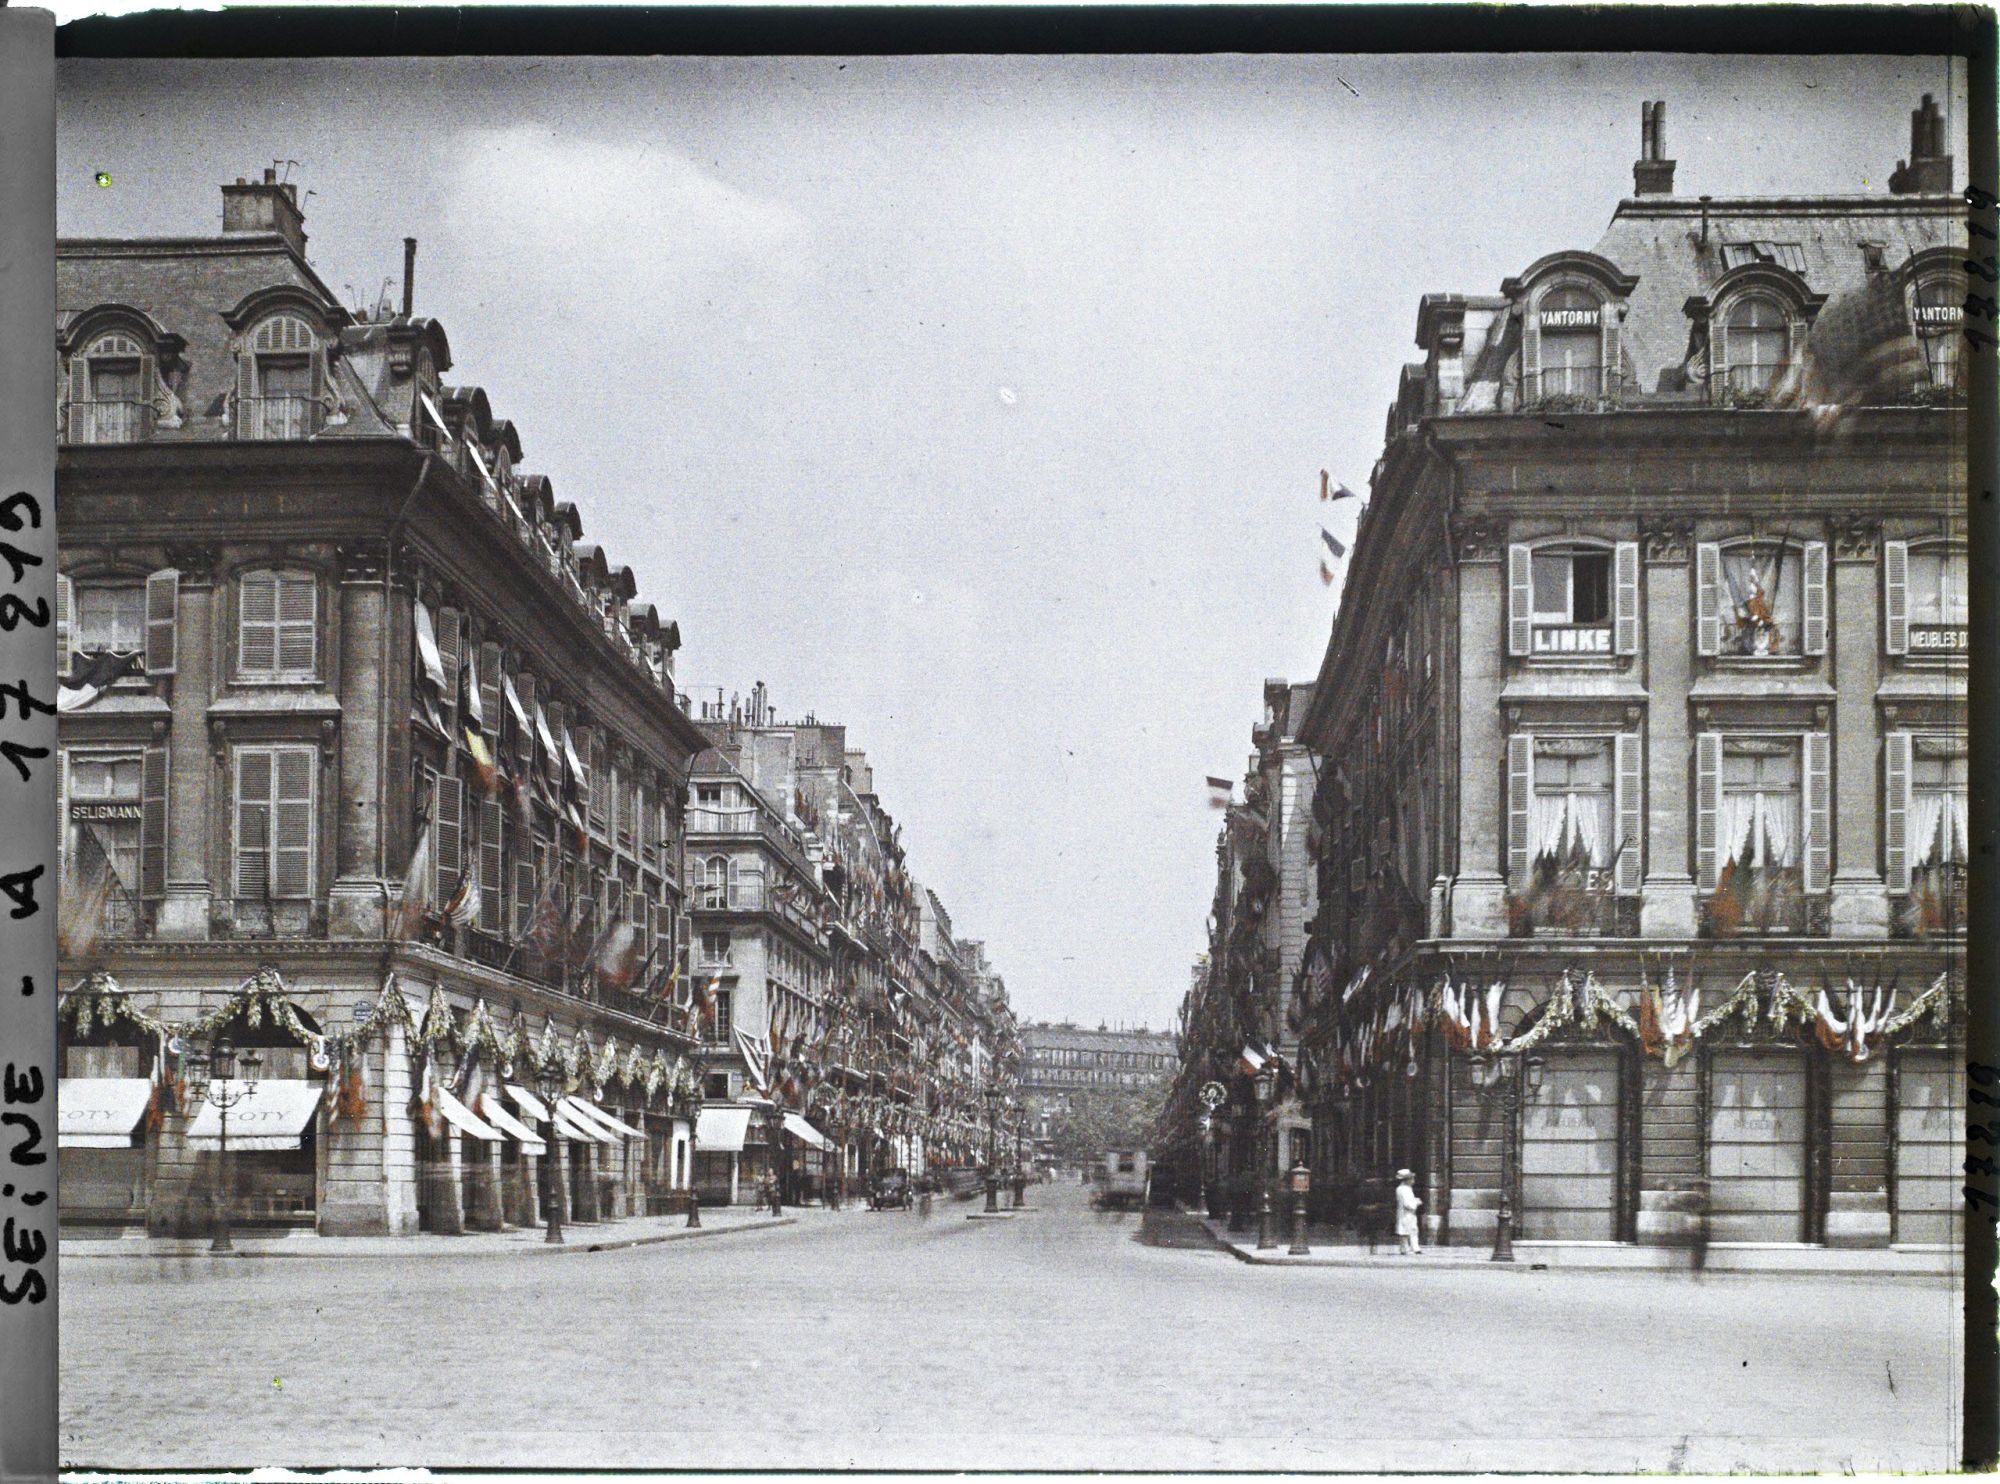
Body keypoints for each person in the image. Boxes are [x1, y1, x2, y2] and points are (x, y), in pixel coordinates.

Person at [1394, 1167, 1424, 1255]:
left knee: (1410, 1230)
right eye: (1411, 1178)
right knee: (1406, 1231)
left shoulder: (1404, 1188)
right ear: (1407, 1180)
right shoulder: (1404, 1189)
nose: (1413, 1180)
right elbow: (1407, 1204)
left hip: (1406, 1213)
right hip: (1407, 1214)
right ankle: (1407, 1249)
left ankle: (1413, 1248)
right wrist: (1416, 1203)